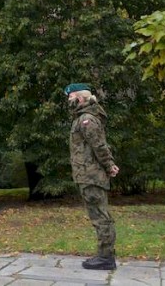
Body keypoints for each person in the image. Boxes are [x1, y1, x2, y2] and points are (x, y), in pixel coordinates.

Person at [65, 83, 120, 271]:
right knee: (98, 215)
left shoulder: (87, 119)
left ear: (80, 99)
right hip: (87, 175)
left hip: (91, 175)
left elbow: (99, 146)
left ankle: (106, 258)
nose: (68, 101)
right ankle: (104, 256)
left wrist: (109, 165)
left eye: (70, 98)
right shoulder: (82, 118)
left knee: (101, 217)